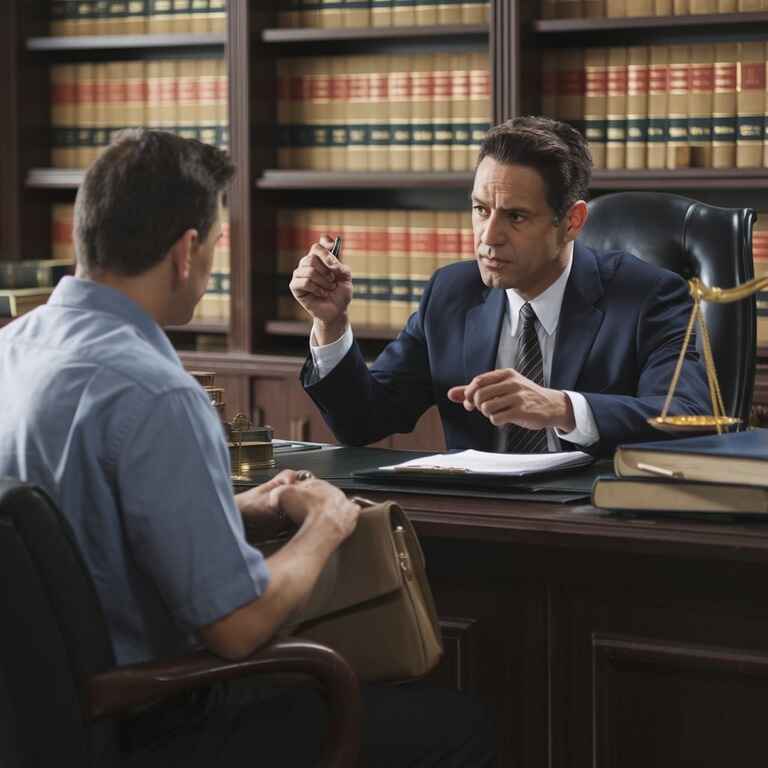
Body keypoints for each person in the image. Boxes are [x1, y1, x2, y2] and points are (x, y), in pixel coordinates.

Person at [0, 130, 496, 766]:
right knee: (460, 726)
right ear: (186, 252)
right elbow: (238, 627)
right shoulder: (155, 394)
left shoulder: (16, 350)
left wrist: (237, 509)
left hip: (38, 724)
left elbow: (71, 536)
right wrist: (322, 527)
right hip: (152, 724)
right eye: (214, 244)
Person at [290, 116, 710, 457]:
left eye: (516, 216)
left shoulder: (650, 296)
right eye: (480, 210)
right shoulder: (451, 292)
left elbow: (685, 420)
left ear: (572, 221)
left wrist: (560, 408)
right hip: (484, 523)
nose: (488, 238)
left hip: (598, 531)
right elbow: (363, 422)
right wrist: (331, 325)